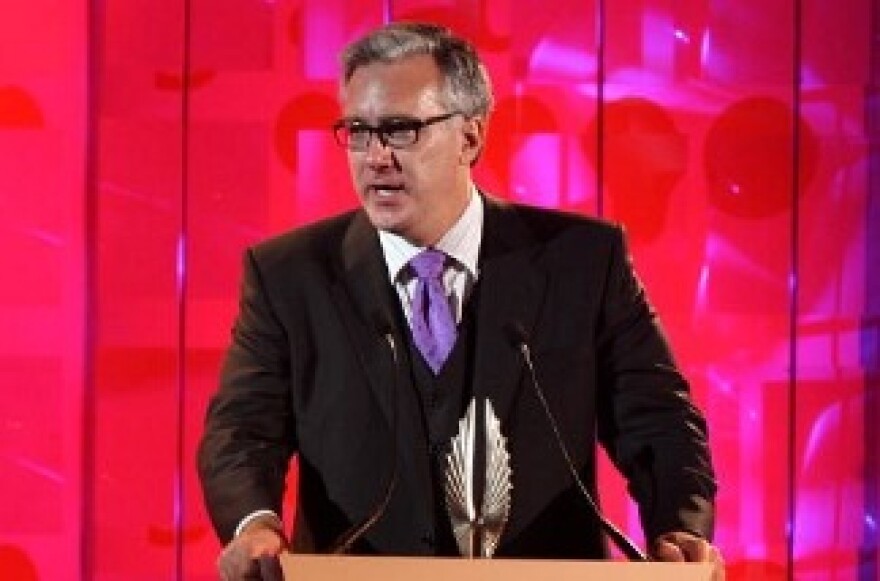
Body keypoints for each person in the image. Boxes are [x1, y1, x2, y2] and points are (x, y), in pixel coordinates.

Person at [198, 21, 724, 581]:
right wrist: (254, 523)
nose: (375, 157)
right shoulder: (289, 274)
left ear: (471, 137)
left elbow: (659, 417)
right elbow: (243, 429)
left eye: (400, 130)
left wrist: (679, 526)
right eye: (358, 130)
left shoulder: (583, 261)